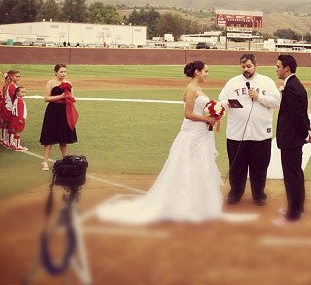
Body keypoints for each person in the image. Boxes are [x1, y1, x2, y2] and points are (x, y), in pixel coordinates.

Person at [96, 60, 224, 225]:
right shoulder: (192, 89)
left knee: (199, 167)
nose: (207, 74)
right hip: (191, 134)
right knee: (185, 168)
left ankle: (198, 205)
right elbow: (188, 114)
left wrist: (213, 116)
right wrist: (206, 118)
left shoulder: (198, 89)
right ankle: (183, 206)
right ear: (197, 72)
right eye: (205, 71)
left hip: (201, 133)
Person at [217, 53, 281, 206]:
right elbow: (221, 101)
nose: (246, 69)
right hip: (237, 134)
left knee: (259, 167)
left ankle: (259, 194)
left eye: (249, 66)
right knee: (237, 166)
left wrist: (259, 97)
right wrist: (235, 103)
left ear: (255, 66)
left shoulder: (266, 82)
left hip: (260, 134)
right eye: (243, 66)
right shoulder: (233, 83)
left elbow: (277, 101)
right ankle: (235, 193)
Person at [274, 54, 311, 225]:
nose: (276, 69)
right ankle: (297, 207)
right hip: (295, 138)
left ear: (286, 68)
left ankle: (293, 214)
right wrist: (308, 130)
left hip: (291, 139)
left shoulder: (290, 87)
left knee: (291, 175)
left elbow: (297, 115)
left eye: (278, 66)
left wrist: (305, 133)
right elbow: (302, 112)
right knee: (296, 173)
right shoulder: (296, 84)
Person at [39, 64, 78, 171]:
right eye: (61, 72)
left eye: (65, 72)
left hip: (65, 111)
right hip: (53, 111)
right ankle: (45, 161)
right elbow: (46, 98)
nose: (63, 74)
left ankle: (65, 160)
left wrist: (70, 98)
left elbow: (72, 96)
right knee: (49, 137)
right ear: (56, 72)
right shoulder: (51, 82)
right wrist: (60, 96)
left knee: (63, 138)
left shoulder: (69, 83)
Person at [9, 86, 29, 152]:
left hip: (15, 118)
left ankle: (14, 144)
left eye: (24, 92)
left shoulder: (16, 99)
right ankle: (17, 146)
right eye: (22, 92)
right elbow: (20, 110)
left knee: (15, 132)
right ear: (17, 93)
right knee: (18, 132)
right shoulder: (20, 100)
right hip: (18, 118)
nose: (24, 93)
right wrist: (20, 119)